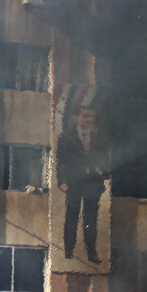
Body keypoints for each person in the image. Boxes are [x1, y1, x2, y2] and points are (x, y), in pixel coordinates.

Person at [56, 105, 108, 263]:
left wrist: (103, 172)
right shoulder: (66, 137)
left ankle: (92, 253)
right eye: (85, 116)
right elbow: (61, 161)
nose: (88, 120)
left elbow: (105, 158)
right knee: (72, 217)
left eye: (91, 116)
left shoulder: (99, 137)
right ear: (77, 117)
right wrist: (62, 181)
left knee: (90, 220)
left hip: (93, 183)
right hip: (74, 183)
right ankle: (68, 251)